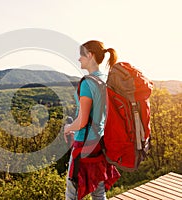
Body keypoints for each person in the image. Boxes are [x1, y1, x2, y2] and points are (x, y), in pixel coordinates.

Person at [64, 40, 121, 200]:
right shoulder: (106, 80)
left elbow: (82, 121)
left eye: (81, 55)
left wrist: (68, 128)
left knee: (72, 195)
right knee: (98, 193)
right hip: (101, 145)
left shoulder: (88, 83)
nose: (79, 59)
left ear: (90, 55)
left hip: (83, 146)